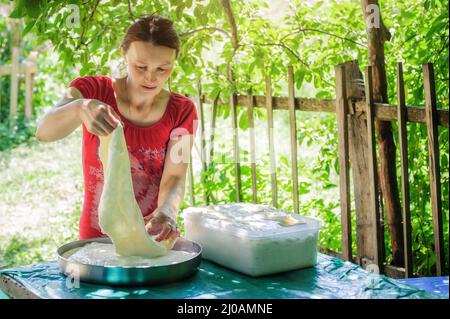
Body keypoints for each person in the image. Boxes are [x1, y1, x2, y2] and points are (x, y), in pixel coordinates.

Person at [35, 14, 198, 244]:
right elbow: (44, 131)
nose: (151, 77)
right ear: (124, 54)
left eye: (163, 68)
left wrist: (168, 210)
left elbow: (174, 176)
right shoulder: (92, 90)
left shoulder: (183, 110)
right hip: (97, 236)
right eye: (141, 66)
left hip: (151, 235)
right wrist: (79, 108)